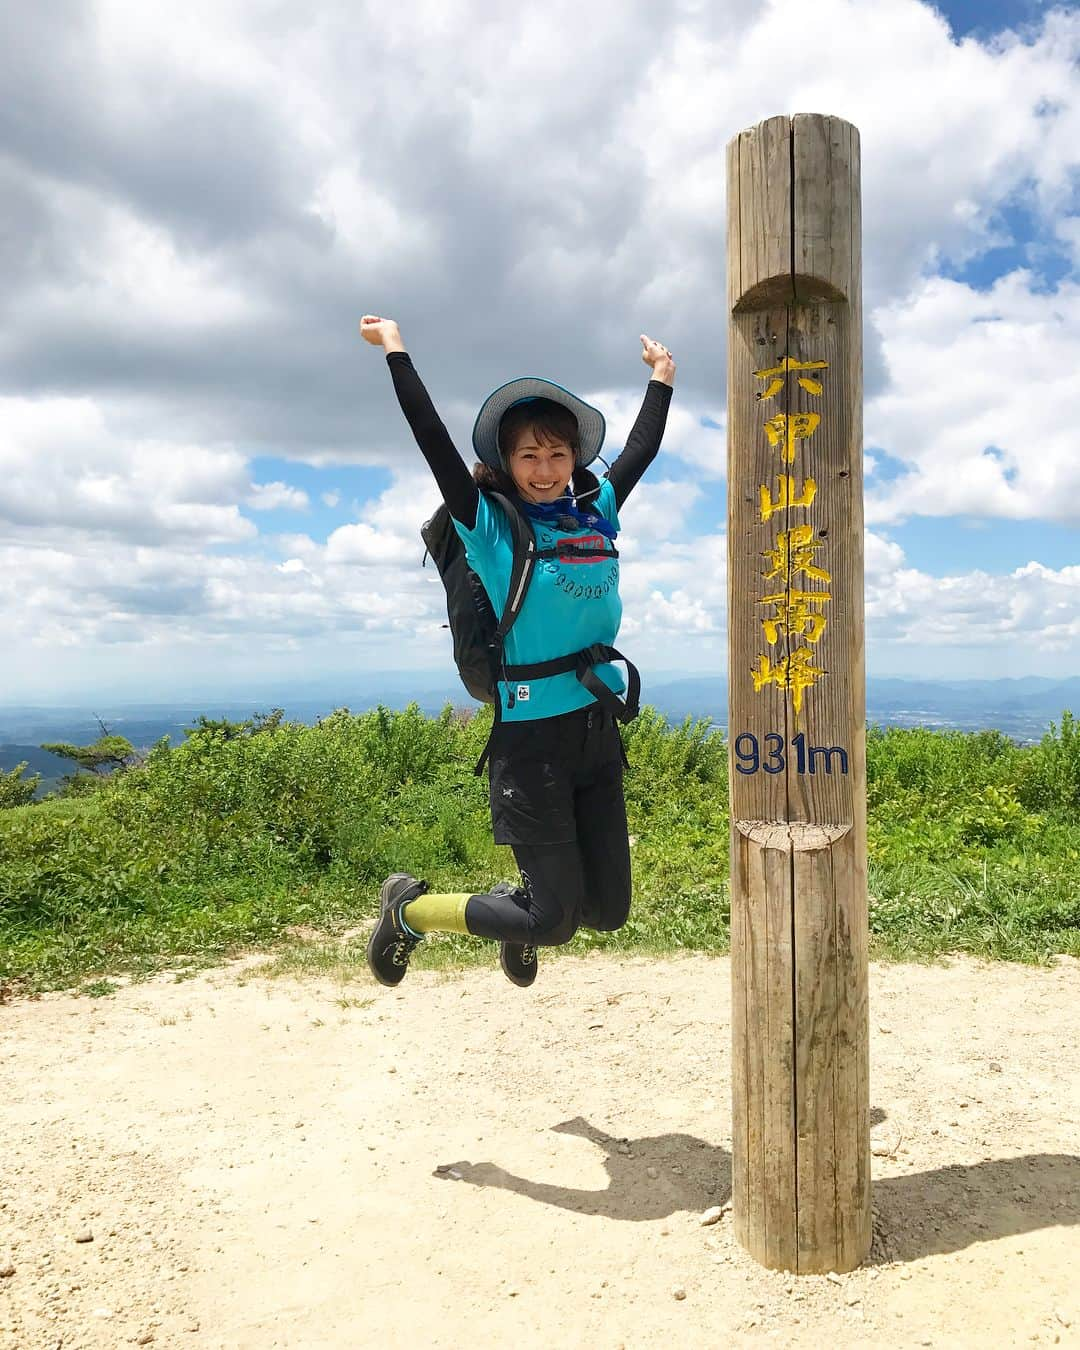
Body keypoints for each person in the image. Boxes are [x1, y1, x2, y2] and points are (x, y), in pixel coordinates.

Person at [359, 314, 675, 989]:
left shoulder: (594, 510)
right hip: (530, 743)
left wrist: (661, 380)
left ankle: (521, 906)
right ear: (506, 461)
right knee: (555, 922)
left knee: (608, 912)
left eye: (558, 454)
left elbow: (641, 451)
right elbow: (432, 438)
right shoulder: (491, 526)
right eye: (528, 455)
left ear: (574, 460)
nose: (544, 468)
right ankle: (409, 910)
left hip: (594, 730)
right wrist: (396, 350)